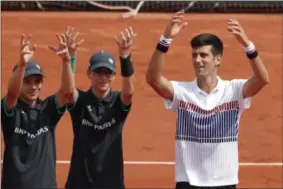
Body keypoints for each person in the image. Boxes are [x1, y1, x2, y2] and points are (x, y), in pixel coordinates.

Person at [146, 10, 269, 189]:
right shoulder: (182, 92)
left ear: (217, 59)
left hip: (224, 183)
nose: (198, 60)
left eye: (203, 55)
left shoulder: (233, 91)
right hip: (188, 183)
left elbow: (262, 80)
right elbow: (153, 79)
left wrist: (247, 45)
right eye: (194, 55)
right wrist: (165, 39)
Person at [64, 26, 136, 189]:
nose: (103, 77)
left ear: (114, 76)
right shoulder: (80, 101)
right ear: (89, 73)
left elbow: (129, 92)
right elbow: (68, 91)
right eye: (98, 72)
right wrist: (71, 59)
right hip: (79, 183)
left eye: (108, 73)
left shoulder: (118, 101)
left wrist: (125, 58)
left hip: (111, 183)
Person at [1, 32, 75, 188]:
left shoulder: (48, 109)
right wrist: (21, 65)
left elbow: (67, 92)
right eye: (27, 82)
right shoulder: (10, 110)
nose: (34, 86)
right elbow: (13, 92)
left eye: (37, 81)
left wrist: (68, 61)